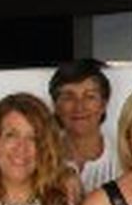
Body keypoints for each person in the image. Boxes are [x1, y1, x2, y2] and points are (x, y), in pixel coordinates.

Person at [50, 58, 118, 196]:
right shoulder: (39, 158)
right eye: (68, 97)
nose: (79, 106)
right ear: (56, 106)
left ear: (103, 104)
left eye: (90, 97)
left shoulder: (124, 157)